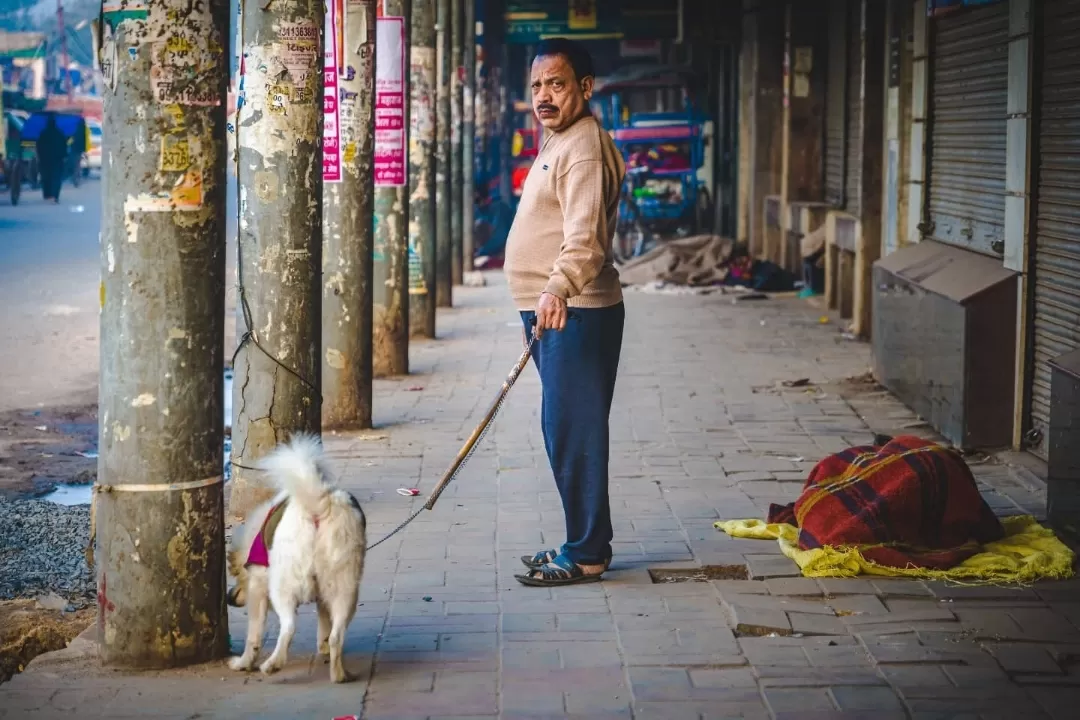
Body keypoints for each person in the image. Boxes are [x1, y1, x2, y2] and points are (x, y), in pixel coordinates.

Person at [502, 38, 626, 587]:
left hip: (573, 311)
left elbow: (585, 238)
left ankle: (586, 554)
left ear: (584, 87)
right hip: (557, 310)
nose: (545, 96)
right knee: (565, 429)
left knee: (573, 432)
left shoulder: (582, 147)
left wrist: (557, 287)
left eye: (556, 84)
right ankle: (584, 540)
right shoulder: (561, 140)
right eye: (537, 86)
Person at [36, 113, 66, 203]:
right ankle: (55, 195)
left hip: (45, 159)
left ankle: (47, 194)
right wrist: (64, 156)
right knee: (56, 177)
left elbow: (38, 146)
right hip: (57, 159)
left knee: (46, 177)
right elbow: (64, 146)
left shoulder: (43, 133)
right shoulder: (60, 133)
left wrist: (40, 156)